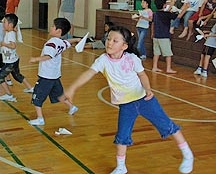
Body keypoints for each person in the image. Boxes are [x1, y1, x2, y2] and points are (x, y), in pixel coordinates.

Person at [64, 25, 194, 174]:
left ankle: (187, 154)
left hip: (144, 100)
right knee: (122, 135)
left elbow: (143, 75)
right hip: (126, 105)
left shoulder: (132, 59)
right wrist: (72, 88)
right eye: (108, 39)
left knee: (167, 126)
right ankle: (121, 167)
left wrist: (148, 89)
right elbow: (88, 73)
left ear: (124, 46)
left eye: (115, 40)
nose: (109, 43)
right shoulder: (103, 60)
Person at [28, 18, 80, 126]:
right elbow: (67, 43)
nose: (51, 27)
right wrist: (76, 39)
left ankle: (40, 118)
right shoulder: (60, 42)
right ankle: (72, 107)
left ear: (58, 31)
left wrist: (35, 59)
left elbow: (48, 56)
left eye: (53, 26)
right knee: (59, 95)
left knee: (36, 97)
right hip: (55, 76)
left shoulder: (50, 43)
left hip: (46, 77)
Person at [0, 13, 34, 102]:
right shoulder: (9, 32)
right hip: (14, 60)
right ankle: (30, 88)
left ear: (10, 25)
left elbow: (13, 46)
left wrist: (4, 44)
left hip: (11, 63)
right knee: (17, 76)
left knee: (0, 77)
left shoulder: (10, 34)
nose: (3, 23)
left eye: (4, 22)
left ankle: (9, 95)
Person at [152, 0, 178, 73]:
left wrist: (152, 33)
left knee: (156, 53)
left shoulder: (155, 13)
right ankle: (168, 68)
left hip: (156, 36)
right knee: (168, 54)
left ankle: (154, 67)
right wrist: (185, 9)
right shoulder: (166, 14)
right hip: (164, 37)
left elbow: (153, 24)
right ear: (164, 5)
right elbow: (177, 16)